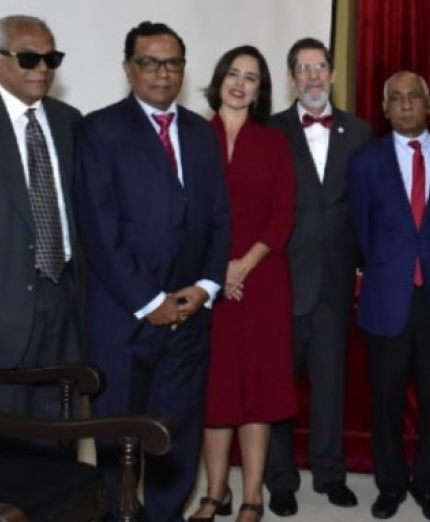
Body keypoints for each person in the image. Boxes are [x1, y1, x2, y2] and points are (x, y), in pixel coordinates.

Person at [76, 21, 231, 522]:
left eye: (173, 63)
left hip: (188, 317)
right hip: (124, 318)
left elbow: (218, 217)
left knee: (176, 432)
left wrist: (206, 288)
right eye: (150, 62)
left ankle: (165, 516)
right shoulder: (100, 130)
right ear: (128, 69)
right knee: (117, 438)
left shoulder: (202, 132)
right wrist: (150, 301)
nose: (162, 73)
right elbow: (99, 229)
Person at [187, 46, 297, 522]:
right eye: (233, 73)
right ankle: (215, 492)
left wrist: (240, 267)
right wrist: (217, 271)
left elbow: (282, 215)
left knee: (258, 390)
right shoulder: (192, 137)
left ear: (260, 90)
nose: (240, 83)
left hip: (262, 278)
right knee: (216, 391)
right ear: (218, 80)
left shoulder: (273, 143)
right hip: (205, 283)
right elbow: (186, 215)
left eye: (251, 77)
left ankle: (253, 494)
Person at [265, 37, 372, 516]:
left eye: (320, 66)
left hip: (334, 282)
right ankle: (280, 480)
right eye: (302, 68)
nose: (312, 76)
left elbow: (368, 208)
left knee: (331, 387)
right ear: (291, 77)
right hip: (282, 280)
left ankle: (330, 474)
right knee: (279, 388)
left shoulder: (361, 132)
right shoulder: (269, 131)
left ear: (332, 73)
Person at [349, 71, 430, 521]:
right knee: (386, 399)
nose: (407, 105)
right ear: (384, 107)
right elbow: (360, 231)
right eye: (397, 98)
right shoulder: (364, 162)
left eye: (415, 97)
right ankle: (390, 484)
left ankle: (429, 485)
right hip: (386, 297)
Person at [0, 15, 81, 419]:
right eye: (28, 58)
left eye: (50, 58)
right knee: (3, 453)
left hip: (64, 301)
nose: (42, 69)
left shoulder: (69, 121)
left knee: (60, 439)